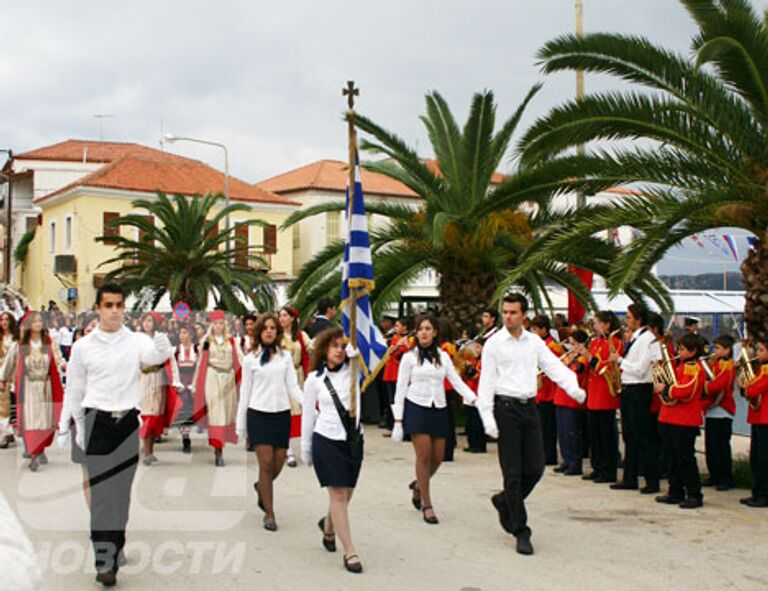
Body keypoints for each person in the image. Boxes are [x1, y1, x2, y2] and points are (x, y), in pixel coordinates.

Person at [58, 283, 172, 586]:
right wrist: (76, 428)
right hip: (97, 421)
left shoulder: (136, 341)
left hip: (126, 423)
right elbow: (75, 389)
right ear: (98, 308)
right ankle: (103, 563)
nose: (114, 311)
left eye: (119, 305)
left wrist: (163, 347)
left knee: (120, 495)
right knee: (101, 496)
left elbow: (153, 357)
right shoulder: (83, 347)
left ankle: (116, 545)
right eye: (108, 305)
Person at [478, 293, 586, 555]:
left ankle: (505, 501)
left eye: (513, 312)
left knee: (536, 468)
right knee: (512, 473)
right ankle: (520, 530)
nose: (508, 317)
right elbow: (486, 382)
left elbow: (554, 367)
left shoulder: (534, 342)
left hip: (529, 408)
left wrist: (573, 388)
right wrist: (488, 417)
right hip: (505, 408)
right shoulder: (493, 344)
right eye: (505, 312)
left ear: (523, 315)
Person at [391, 315, 477, 524]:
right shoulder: (409, 357)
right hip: (416, 406)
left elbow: (456, 382)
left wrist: (475, 399)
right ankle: (427, 504)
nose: (424, 332)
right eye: (420, 329)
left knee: (438, 457)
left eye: (428, 329)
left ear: (435, 332)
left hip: (438, 407)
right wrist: (398, 421)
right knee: (424, 455)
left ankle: (419, 485)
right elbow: (400, 389)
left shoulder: (443, 356)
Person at [301, 327, 365, 573]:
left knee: (346, 495)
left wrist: (356, 356)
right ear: (324, 349)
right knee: (338, 494)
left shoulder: (354, 372)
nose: (339, 350)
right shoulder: (314, 380)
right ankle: (350, 551)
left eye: (342, 346)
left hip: (352, 440)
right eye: (334, 346)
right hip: (326, 439)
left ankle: (329, 527)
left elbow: (370, 364)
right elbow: (308, 415)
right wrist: (306, 447)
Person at [236, 313, 303, 531]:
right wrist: (241, 425)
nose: (269, 331)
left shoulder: (284, 357)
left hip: (281, 414)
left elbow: (293, 386)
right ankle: (270, 513)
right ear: (258, 331)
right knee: (265, 465)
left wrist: (310, 404)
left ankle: (261, 488)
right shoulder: (250, 359)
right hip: (258, 415)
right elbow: (245, 393)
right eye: (265, 328)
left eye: (273, 328)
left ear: (277, 332)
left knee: (278, 464)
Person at [0, 312, 65, 471]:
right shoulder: (20, 344)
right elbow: (9, 363)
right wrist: (3, 379)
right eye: (34, 321)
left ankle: (40, 448)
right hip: (28, 388)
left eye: (40, 321)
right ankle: (33, 453)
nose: (37, 324)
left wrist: (63, 365)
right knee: (31, 421)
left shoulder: (49, 342)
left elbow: (57, 359)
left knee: (44, 421)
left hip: (45, 387)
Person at [609, 302, 660, 495]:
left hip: (640, 389)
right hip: (629, 388)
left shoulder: (648, 340)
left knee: (643, 437)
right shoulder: (636, 339)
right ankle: (629, 477)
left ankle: (651, 480)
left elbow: (640, 369)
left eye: (629, 317)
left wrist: (620, 361)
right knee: (629, 435)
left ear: (638, 319)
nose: (626, 321)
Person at [654, 334, 706, 508]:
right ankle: (675, 490)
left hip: (684, 419)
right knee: (671, 457)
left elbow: (686, 389)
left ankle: (694, 493)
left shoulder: (693, 367)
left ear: (693, 351)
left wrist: (666, 388)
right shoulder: (681, 366)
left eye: (682, 349)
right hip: (670, 417)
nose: (678, 352)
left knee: (684, 459)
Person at [57, 313, 99, 507]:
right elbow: (71, 390)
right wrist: (64, 425)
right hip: (82, 416)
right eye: (89, 326)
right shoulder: (77, 352)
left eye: (97, 325)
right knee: (88, 471)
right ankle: (96, 520)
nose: (92, 329)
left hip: (106, 416)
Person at [193, 310, 243, 467]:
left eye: (221, 323)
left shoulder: (232, 341)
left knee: (228, 413)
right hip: (212, 377)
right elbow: (201, 362)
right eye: (216, 323)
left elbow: (241, 360)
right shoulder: (207, 341)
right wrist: (195, 384)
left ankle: (221, 445)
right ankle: (218, 451)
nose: (219, 326)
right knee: (216, 414)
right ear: (212, 325)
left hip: (228, 378)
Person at [580, 311, 622, 483]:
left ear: (607, 325)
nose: (594, 326)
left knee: (606, 435)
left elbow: (609, 367)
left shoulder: (615, 343)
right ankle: (597, 466)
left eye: (597, 323)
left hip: (605, 393)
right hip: (593, 392)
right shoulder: (595, 341)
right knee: (595, 435)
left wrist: (588, 357)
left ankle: (608, 470)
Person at [138, 312, 182, 466]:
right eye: (145, 320)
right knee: (146, 415)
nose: (147, 323)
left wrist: (176, 381)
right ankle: (147, 451)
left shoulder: (161, 339)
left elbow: (171, 359)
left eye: (150, 320)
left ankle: (149, 450)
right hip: (142, 380)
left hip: (158, 379)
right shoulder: (138, 339)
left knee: (155, 416)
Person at [278, 305, 312, 467]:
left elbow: (312, 348)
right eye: (280, 315)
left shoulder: (300, 335)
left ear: (292, 318)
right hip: (281, 378)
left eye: (285, 315)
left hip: (297, 375)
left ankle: (302, 446)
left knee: (298, 411)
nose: (282, 318)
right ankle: (288, 449)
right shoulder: (276, 336)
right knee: (285, 411)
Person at [701, 335, 736, 490]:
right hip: (712, 409)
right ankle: (714, 475)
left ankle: (725, 477)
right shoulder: (715, 363)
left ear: (728, 350)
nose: (715, 351)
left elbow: (719, 384)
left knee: (721, 446)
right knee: (711, 446)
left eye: (718, 348)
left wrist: (704, 387)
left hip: (723, 409)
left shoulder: (728, 365)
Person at [553, 330, 589, 476]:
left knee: (572, 433)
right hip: (561, 397)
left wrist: (573, 360)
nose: (571, 346)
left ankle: (575, 463)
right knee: (562, 433)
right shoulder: (568, 356)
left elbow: (579, 372)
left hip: (572, 399)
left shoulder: (582, 358)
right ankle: (566, 460)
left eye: (574, 343)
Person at [739, 337, 768, 508]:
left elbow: (755, 388)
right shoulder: (762, 369)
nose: (757, 353)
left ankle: (764, 494)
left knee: (764, 458)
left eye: (761, 350)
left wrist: (745, 387)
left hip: (765, 418)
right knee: (756, 457)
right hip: (758, 417)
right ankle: (758, 492)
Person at [530, 315, 561, 466]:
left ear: (544, 329)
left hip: (549, 391)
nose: (533, 332)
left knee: (548, 427)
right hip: (540, 392)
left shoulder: (552, 346)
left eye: (535, 329)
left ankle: (550, 455)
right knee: (541, 426)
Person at [380, 317, 412, 431]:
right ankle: (391, 423)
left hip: (397, 373)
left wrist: (401, 345)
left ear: (405, 328)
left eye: (398, 326)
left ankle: (396, 424)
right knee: (391, 400)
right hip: (390, 373)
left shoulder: (404, 339)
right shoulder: (395, 338)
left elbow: (400, 355)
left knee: (396, 400)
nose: (395, 328)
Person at [174, 324, 199, 454]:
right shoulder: (176, 350)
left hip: (193, 381)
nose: (182, 335)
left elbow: (200, 368)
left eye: (185, 332)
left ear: (191, 335)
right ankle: (185, 438)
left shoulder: (197, 349)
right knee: (183, 410)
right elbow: (173, 369)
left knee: (192, 409)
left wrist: (194, 385)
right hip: (181, 382)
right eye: (181, 333)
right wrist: (177, 384)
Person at [0, 312, 19, 449]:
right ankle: (5, 432)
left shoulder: (16, 339)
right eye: (2, 319)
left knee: (8, 404)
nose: (4, 322)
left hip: (12, 373)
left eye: (7, 319)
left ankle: (7, 431)